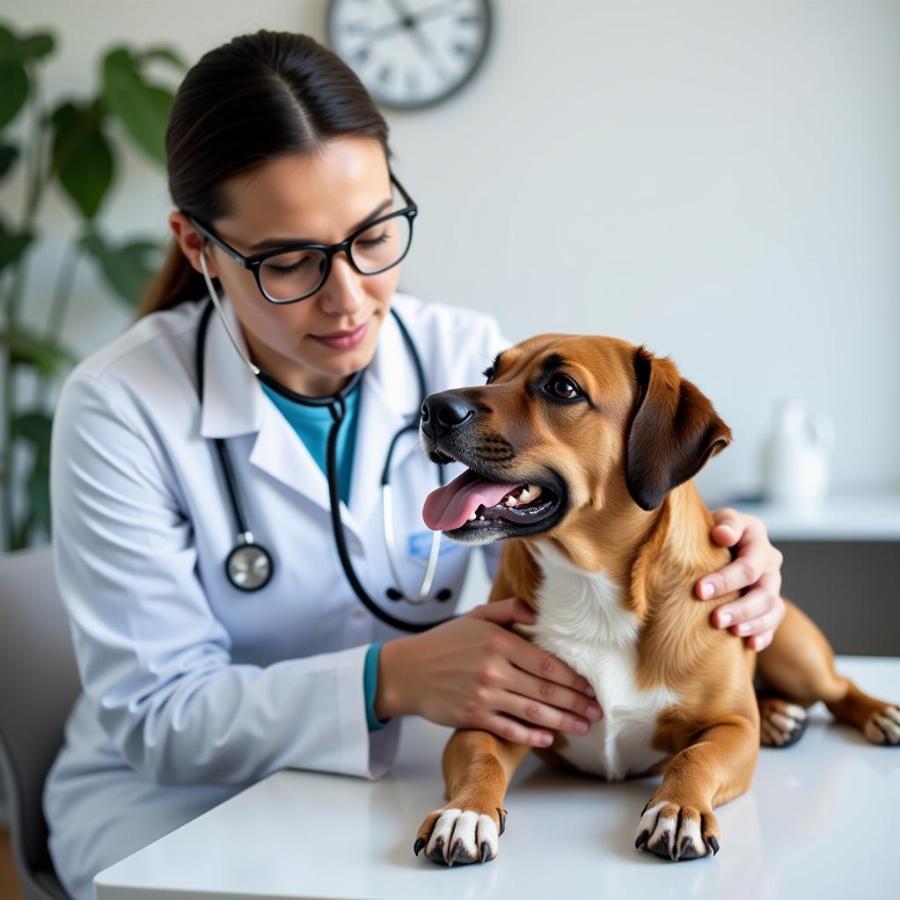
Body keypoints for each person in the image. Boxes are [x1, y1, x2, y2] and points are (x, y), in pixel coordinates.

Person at [43, 30, 786, 900]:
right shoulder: (119, 407)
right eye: (289, 261)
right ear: (199, 246)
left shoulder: (471, 361)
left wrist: (730, 555)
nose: (349, 296)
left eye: (373, 235)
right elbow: (152, 718)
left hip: (393, 784)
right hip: (174, 809)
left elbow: (608, 494)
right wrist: (386, 679)